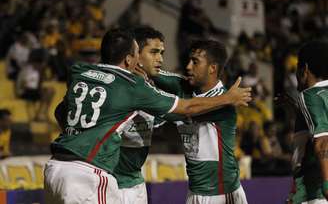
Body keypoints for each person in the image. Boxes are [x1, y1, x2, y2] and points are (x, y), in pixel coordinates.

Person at [44, 28, 251, 204]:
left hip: (135, 184)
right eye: (154, 52)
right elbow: (185, 107)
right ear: (133, 56)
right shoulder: (131, 88)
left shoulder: (150, 92)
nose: (161, 59)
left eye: (162, 52)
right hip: (105, 177)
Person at [153, 39, 248, 204]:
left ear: (212, 68)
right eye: (189, 61)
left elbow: (185, 111)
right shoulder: (185, 88)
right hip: (194, 191)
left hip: (221, 195)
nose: (188, 66)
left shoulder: (224, 104)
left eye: (195, 62)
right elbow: (150, 71)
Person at [291, 40, 328, 203]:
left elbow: (323, 142)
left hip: (316, 192)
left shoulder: (310, 95)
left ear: (304, 69)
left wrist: (327, 185)